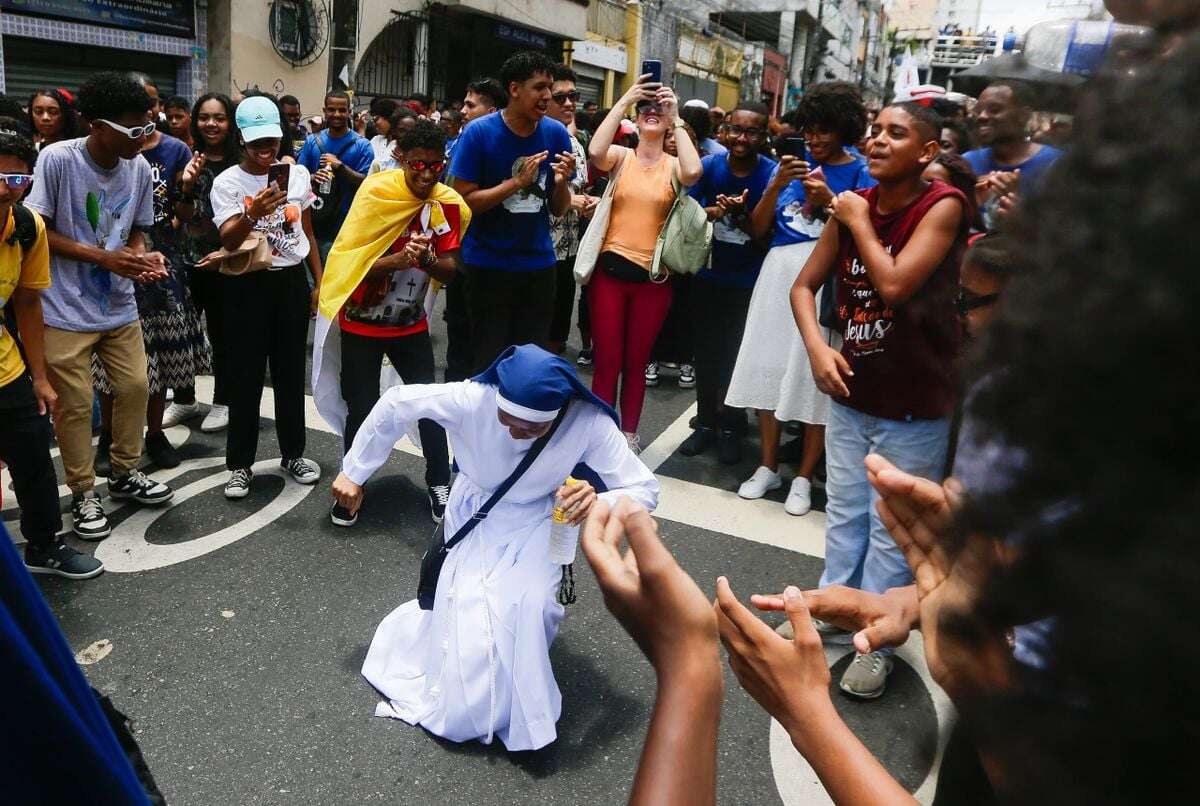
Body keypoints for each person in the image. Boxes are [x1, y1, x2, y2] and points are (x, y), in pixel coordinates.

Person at [332, 344, 659, 751]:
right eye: (507, 420)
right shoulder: (474, 398)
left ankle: (521, 712)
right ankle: (475, 705)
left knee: (534, 605)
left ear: (556, 414)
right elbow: (397, 402)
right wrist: (354, 470)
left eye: (531, 429)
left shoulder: (586, 420)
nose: (515, 433)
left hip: (540, 521)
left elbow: (644, 488)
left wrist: (598, 500)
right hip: (477, 513)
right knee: (472, 611)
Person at [790, 101, 967, 698]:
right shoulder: (853, 206)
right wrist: (818, 347)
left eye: (897, 133)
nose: (878, 140)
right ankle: (835, 609)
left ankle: (878, 640)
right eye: (875, 131)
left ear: (927, 152)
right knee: (844, 514)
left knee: (892, 528)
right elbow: (803, 285)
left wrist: (857, 219)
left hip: (915, 403)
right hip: (851, 393)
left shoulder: (942, 207)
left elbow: (893, 285)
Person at [26, 71, 174, 541]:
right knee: (74, 405)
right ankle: (84, 491)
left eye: (148, 128)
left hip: (118, 304)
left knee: (134, 387)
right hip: (64, 307)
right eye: (133, 131)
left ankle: (125, 472)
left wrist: (137, 253)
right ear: (96, 125)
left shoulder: (137, 166)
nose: (143, 139)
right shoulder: (57, 160)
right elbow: (39, 232)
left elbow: (138, 227)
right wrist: (104, 257)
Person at [727, 82, 874, 516]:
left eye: (824, 130)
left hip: (827, 281)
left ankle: (805, 477)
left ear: (844, 129)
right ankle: (768, 466)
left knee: (816, 383)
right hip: (776, 276)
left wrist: (828, 201)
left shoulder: (863, 173)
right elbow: (757, 229)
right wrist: (777, 185)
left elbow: (866, 236)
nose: (813, 139)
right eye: (808, 129)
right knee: (766, 370)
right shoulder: (787, 166)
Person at [312, 119, 469, 526]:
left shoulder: (449, 203)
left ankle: (439, 481)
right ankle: (353, 483)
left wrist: (429, 260)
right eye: (417, 164)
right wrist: (396, 261)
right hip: (362, 324)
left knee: (428, 406)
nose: (426, 174)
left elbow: (451, 270)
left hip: (410, 325)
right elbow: (349, 263)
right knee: (360, 407)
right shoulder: (377, 191)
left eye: (436, 165)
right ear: (400, 158)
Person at [209, 95, 323, 499]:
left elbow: (307, 232)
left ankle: (293, 453)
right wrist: (253, 213)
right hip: (247, 285)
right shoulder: (226, 183)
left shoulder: (299, 176)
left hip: (291, 282)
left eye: (272, 139)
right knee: (245, 376)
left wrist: (318, 283)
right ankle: (240, 465)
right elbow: (226, 239)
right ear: (241, 138)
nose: (265, 149)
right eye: (256, 141)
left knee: (291, 373)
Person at [0, 132, 103, 578]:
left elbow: (27, 302)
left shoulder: (26, 227)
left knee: (33, 458)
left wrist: (39, 377)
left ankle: (43, 545)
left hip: (8, 368)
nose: (5, 187)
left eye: (16, 176)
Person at [91, 90, 208, 472]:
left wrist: (188, 186)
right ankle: (108, 436)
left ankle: (154, 434)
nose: (149, 114)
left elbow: (183, 213)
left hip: (161, 262)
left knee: (160, 354)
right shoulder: (102, 154)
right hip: (109, 261)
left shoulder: (174, 149)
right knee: (110, 361)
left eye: (152, 106)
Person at [586, 76, 702, 453]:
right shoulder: (621, 157)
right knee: (607, 361)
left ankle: (628, 437)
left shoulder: (674, 165)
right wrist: (624, 100)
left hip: (653, 279)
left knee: (636, 363)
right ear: (635, 120)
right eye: (645, 110)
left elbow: (694, 172)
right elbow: (595, 151)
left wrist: (677, 116)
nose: (652, 114)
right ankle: (599, 436)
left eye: (658, 111)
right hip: (610, 274)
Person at [448, 51, 577, 372]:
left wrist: (561, 183)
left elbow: (559, 209)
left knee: (529, 364)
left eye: (550, 88)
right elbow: (464, 201)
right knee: (488, 361)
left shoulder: (556, 134)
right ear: (515, 89)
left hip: (538, 266)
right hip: (487, 266)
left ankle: (520, 423)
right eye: (540, 87)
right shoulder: (480, 133)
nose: (547, 95)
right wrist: (516, 183)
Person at [677, 103, 775, 465]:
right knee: (705, 353)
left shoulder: (771, 174)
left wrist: (741, 214)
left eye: (751, 132)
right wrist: (715, 211)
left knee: (737, 358)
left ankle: (733, 425)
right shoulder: (710, 166)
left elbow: (770, 234)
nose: (741, 138)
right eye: (735, 130)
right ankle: (705, 424)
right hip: (707, 275)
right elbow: (687, 211)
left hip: (751, 282)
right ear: (724, 131)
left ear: (763, 137)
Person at [163, 92, 239, 434]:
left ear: (230, 121)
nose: (212, 124)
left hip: (229, 261)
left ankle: (224, 401)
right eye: (205, 117)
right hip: (191, 259)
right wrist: (189, 184)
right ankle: (184, 398)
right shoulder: (188, 157)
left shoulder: (241, 162)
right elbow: (182, 213)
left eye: (219, 117)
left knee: (225, 335)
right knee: (185, 332)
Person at [546, 63, 595, 356]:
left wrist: (585, 202)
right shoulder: (530, 138)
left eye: (573, 96)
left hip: (568, 251)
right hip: (536, 252)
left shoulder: (576, 143)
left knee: (556, 334)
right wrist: (566, 200)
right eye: (559, 97)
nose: (569, 103)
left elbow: (579, 190)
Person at [296, 90, 374, 263]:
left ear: (348, 111)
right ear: (324, 111)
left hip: (347, 226)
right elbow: (297, 178)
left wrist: (341, 167)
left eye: (342, 110)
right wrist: (313, 177)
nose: (337, 114)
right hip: (315, 224)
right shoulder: (311, 141)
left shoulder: (363, 146)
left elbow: (368, 184)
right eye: (331, 110)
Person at [963, 81, 1064, 214]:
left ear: (1023, 115)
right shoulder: (966, 163)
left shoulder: (1057, 164)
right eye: (979, 110)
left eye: (994, 110)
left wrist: (1017, 209)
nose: (982, 116)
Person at [365, 108, 417, 174]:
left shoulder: (422, 156)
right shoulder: (382, 161)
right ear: (394, 131)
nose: (407, 134)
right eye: (402, 130)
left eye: (412, 130)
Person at [366, 97, 399, 163]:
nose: (374, 124)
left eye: (376, 119)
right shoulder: (376, 140)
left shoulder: (400, 145)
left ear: (388, 117)